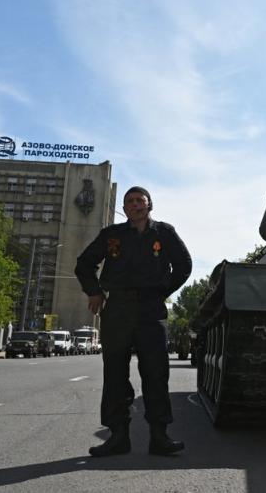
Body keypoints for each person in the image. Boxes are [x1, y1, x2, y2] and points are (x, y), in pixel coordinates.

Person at [75, 186, 192, 457]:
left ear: (150, 205)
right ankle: (118, 436)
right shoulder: (111, 235)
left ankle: (159, 436)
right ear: (124, 208)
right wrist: (94, 291)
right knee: (115, 372)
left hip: (152, 309)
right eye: (130, 201)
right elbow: (84, 264)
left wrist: (163, 290)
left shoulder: (164, 233)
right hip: (118, 308)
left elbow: (184, 265)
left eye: (141, 200)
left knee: (156, 372)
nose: (135, 205)